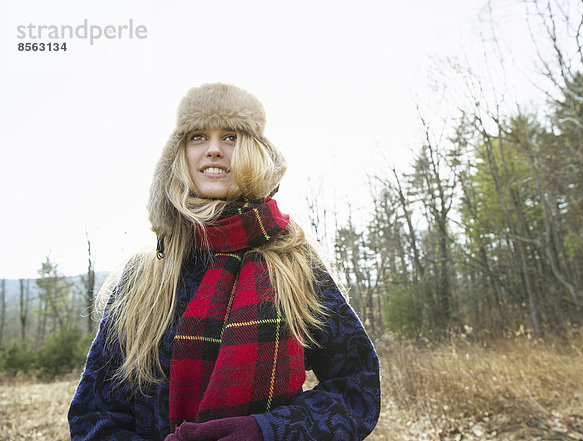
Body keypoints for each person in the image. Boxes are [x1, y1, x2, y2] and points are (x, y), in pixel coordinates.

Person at [68, 83, 380, 441]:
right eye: (198, 136)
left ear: (253, 152)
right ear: (179, 154)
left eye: (230, 137)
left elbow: (359, 388)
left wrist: (265, 432)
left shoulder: (295, 265)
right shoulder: (143, 279)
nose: (214, 149)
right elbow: (94, 414)